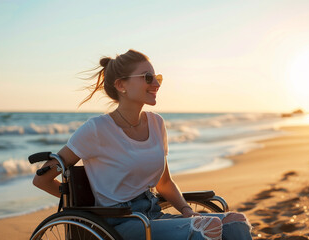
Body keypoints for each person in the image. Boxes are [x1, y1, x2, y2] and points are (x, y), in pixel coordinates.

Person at [33, 49, 252, 240]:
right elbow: (41, 179)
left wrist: (186, 210)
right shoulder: (96, 129)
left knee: (235, 221)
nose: (156, 84)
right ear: (121, 85)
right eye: (148, 77)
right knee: (208, 228)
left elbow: (164, 183)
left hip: (152, 212)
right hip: (120, 223)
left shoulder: (157, 123)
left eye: (157, 77)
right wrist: (86, 212)